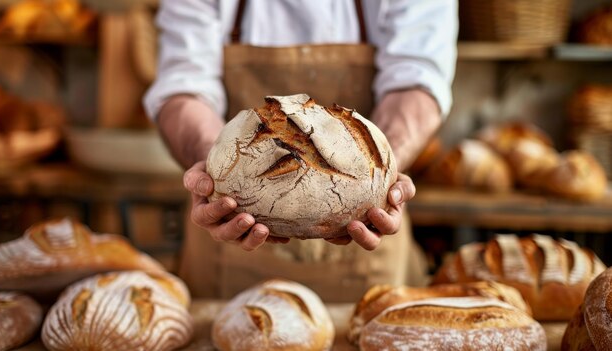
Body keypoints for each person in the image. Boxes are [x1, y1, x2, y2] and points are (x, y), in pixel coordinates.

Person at [144, 0, 457, 301]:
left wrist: (384, 174)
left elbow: (417, 78)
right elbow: (183, 86)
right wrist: (214, 167)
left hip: (368, 247)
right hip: (229, 238)